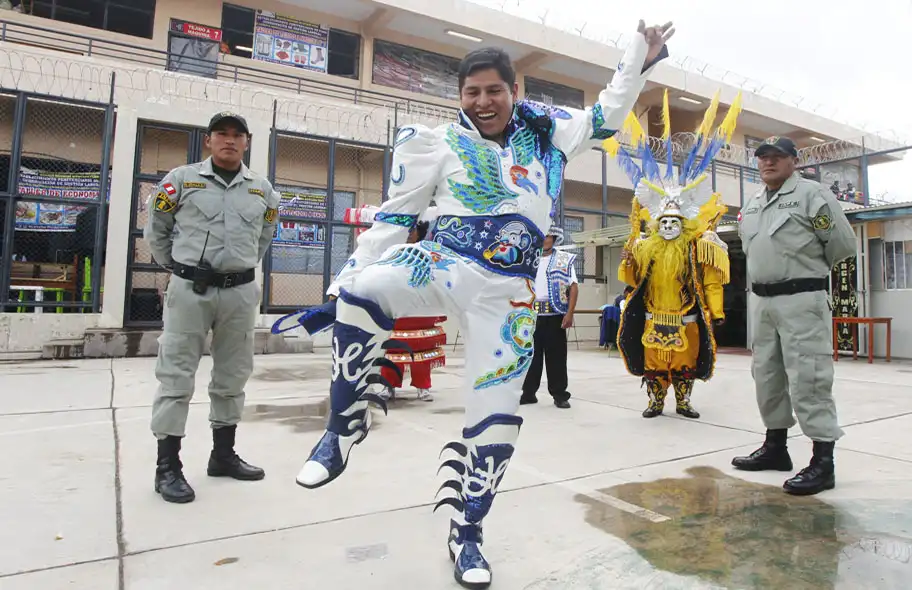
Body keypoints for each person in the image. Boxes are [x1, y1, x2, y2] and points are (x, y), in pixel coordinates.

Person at [270, 20, 674, 589]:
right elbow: (395, 216)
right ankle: (342, 427)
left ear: (513, 91)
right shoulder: (432, 141)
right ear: (459, 96)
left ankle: (468, 533)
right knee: (362, 290)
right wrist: (340, 285)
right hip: (444, 262)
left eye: (494, 90)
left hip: (511, 294)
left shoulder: (552, 133)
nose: (483, 102)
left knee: (497, 422)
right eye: (471, 92)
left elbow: (608, 112)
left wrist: (640, 52)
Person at [144, 111, 280, 504]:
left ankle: (223, 455)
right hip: (191, 289)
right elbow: (157, 231)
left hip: (239, 292)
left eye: (238, 135)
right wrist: (180, 268)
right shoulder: (181, 181)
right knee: (176, 374)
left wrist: (238, 267)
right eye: (222, 133)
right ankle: (167, 466)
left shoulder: (262, 190)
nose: (230, 140)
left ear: (247, 142)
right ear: (208, 140)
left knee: (233, 373)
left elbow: (265, 235)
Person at [731, 136, 857, 496]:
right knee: (767, 375)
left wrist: (805, 273)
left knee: (809, 376)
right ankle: (775, 448)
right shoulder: (754, 203)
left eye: (777, 157)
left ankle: (823, 462)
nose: (768, 163)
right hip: (762, 301)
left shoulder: (811, 195)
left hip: (802, 299)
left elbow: (842, 245)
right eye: (763, 157)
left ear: (793, 161)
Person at [613, 90, 737, 421]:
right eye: (663, 221)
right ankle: (655, 401)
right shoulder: (644, 247)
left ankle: (683, 401)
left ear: (684, 224)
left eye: (674, 222)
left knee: (685, 362)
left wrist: (717, 310)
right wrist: (627, 258)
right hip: (654, 315)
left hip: (687, 318)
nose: (668, 225)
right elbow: (631, 278)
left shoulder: (698, 247)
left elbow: (711, 281)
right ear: (657, 223)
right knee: (654, 363)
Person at [379, 216, 447, 402]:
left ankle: (423, 386)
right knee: (394, 348)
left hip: (421, 307)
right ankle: (388, 385)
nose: (409, 233)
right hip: (397, 307)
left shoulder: (427, 252)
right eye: (406, 229)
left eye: (413, 229)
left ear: (420, 230)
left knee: (422, 348)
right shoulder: (391, 251)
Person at [520, 226, 577, 409]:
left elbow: (573, 287)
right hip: (531, 315)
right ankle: (528, 393)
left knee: (557, 357)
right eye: (541, 236)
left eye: (548, 236)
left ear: (554, 238)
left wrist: (569, 313)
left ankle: (559, 394)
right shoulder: (528, 259)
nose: (545, 239)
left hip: (555, 315)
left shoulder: (563, 259)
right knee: (530, 356)